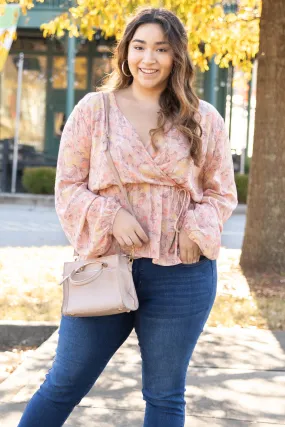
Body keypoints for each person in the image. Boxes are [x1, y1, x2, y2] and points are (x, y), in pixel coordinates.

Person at [18, 7, 237, 427]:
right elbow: (67, 188)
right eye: (139, 47)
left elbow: (221, 191)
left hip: (182, 274)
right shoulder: (93, 110)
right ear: (125, 52)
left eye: (161, 48)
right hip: (104, 267)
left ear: (177, 57)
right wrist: (110, 214)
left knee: (165, 395)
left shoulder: (203, 117)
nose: (148, 58)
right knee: (64, 383)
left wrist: (197, 227)